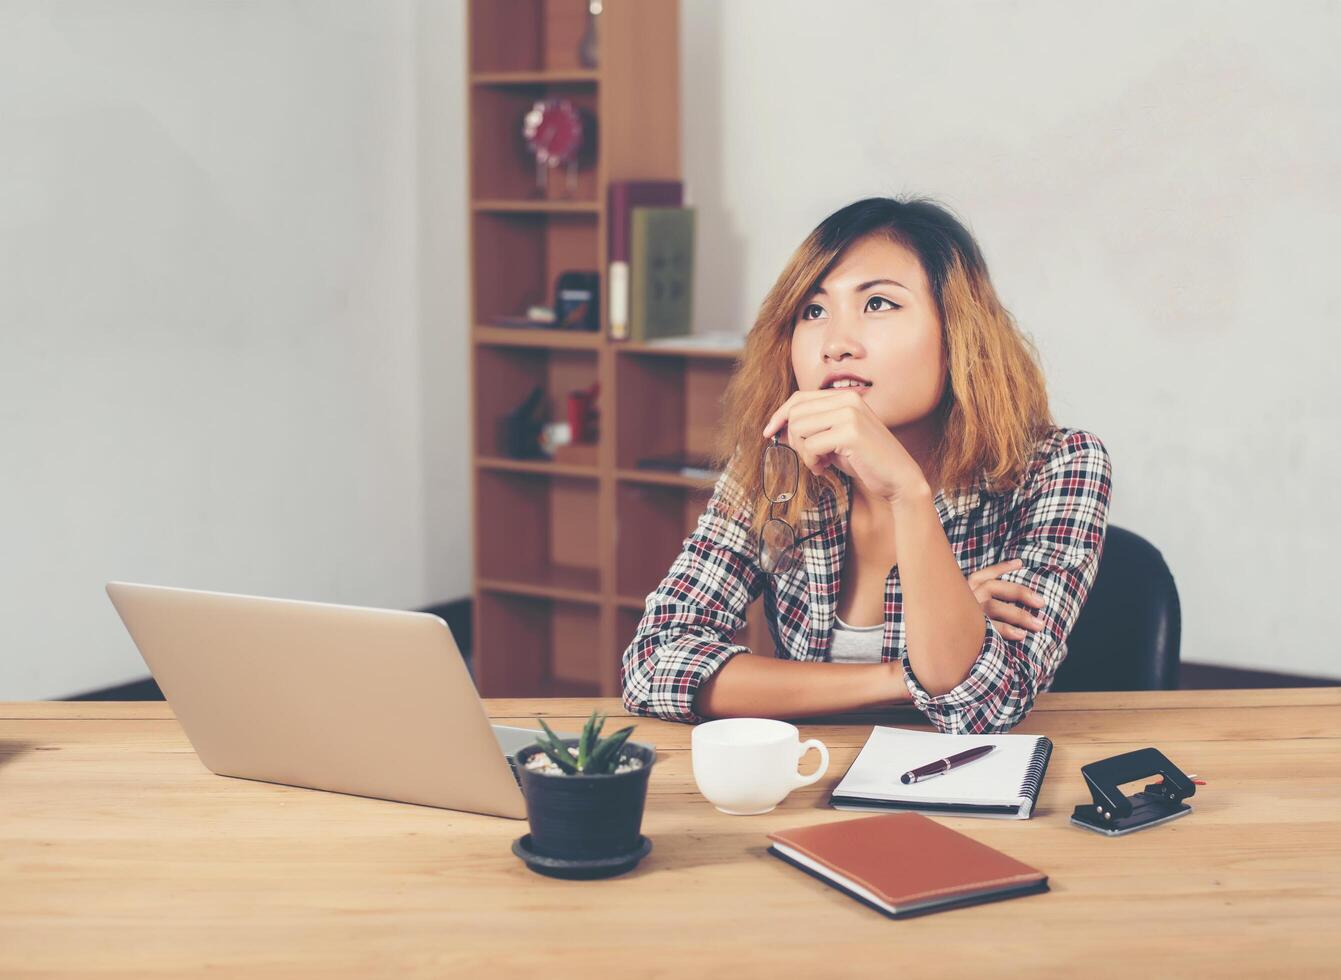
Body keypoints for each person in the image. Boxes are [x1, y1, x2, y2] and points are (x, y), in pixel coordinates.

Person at [620, 196, 1112, 734]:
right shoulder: (775, 463)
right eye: (813, 311)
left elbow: (984, 707)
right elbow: (654, 665)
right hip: (809, 780)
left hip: (971, 789)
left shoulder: (1061, 466)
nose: (836, 344)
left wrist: (908, 492)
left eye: (878, 304)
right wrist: (906, 675)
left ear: (958, 333)